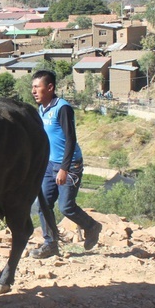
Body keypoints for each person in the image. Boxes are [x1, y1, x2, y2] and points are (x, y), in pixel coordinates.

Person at [30, 70, 102, 259]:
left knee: (66, 207)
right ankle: (50, 244)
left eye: (37, 87)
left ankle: (92, 226)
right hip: (48, 164)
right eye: (33, 87)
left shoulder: (62, 108)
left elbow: (71, 140)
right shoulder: (41, 109)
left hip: (69, 165)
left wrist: (63, 168)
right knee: (43, 204)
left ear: (50, 87)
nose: (33, 91)